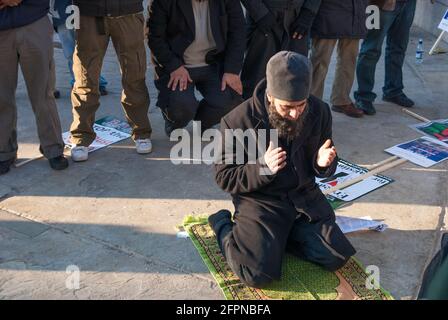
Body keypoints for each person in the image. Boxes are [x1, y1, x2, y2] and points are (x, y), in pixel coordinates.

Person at [210, 51, 356, 288]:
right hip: (262, 202)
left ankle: (280, 238)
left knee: (336, 256)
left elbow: (324, 162)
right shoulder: (237, 120)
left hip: (303, 199)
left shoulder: (319, 111)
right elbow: (224, 177)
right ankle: (222, 224)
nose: (295, 113)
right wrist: (263, 168)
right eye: (287, 107)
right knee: (255, 274)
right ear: (270, 96)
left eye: (301, 105)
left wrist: (322, 163)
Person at [70, 0, 152, 162]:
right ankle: (81, 136)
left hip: (128, 12)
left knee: (134, 75)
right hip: (89, 14)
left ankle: (141, 131)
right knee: (85, 77)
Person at [148, 0, 246, 136]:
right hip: (179, 67)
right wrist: (174, 66)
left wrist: (231, 70)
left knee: (231, 100)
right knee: (182, 106)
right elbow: (154, 37)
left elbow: (238, 33)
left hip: (213, 64)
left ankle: (201, 123)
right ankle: (174, 122)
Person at [0, 0, 69, 175]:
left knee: (43, 94)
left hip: (34, 22)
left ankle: (53, 148)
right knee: (1, 96)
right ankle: (4, 151)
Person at [240, 0, 322, 99]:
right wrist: (259, 12)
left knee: (295, 76)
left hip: (298, 19)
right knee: (257, 78)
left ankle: (291, 112)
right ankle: (254, 112)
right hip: (263, 18)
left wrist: (308, 13)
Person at [354, 0, 417, 115]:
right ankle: (363, 96)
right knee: (370, 49)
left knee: (398, 48)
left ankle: (393, 90)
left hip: (408, 3)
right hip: (380, 3)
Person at [309, 0, 369, 118]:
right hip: (328, 11)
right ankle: (312, 104)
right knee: (320, 60)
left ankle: (341, 100)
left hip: (355, 11)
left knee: (349, 59)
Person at [51, 0, 109, 96]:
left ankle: (95, 79)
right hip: (61, 8)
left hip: (87, 8)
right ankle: (78, 79)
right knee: (70, 50)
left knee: (90, 47)